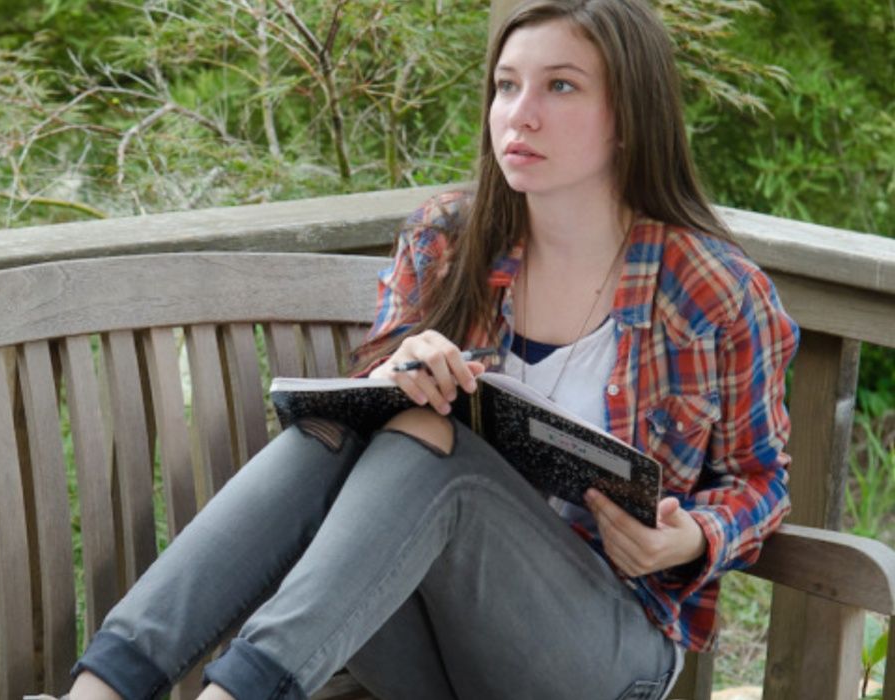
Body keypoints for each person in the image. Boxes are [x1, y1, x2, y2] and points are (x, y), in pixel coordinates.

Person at [45, 0, 798, 697]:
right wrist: (397, 372)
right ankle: (99, 690)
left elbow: (760, 480)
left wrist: (690, 539)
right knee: (345, 432)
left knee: (441, 451)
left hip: (600, 650)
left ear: (628, 117)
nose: (520, 115)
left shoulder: (711, 290)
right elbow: (367, 420)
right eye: (506, 86)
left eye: (560, 87)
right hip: (426, 633)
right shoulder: (448, 237)